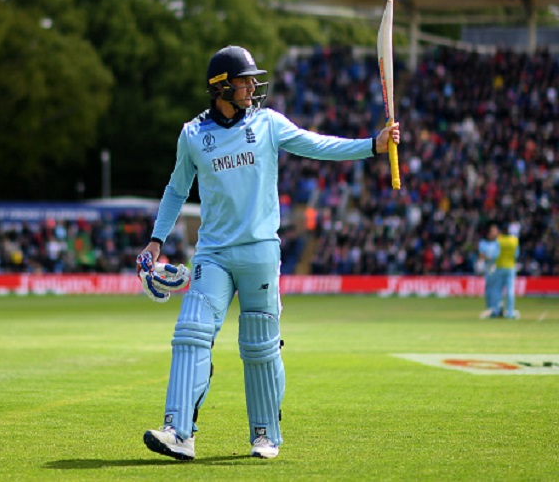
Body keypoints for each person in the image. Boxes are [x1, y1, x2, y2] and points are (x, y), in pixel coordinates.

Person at [137, 45, 401, 461]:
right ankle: (178, 432)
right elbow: (175, 190)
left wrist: (373, 145)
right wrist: (156, 239)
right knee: (191, 332)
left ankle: (265, 435)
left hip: (260, 251)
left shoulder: (268, 124)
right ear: (220, 87)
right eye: (243, 81)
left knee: (259, 345)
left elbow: (318, 145)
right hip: (214, 253)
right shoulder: (192, 135)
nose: (251, 87)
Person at [492, 224, 521, 319]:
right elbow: (516, 255)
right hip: (510, 267)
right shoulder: (514, 241)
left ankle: (496, 311)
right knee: (510, 290)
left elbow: (495, 254)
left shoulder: (499, 240)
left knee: (497, 290)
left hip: (500, 267)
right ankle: (510, 313)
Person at [478, 224, 501, 319]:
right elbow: (481, 255)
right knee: (489, 288)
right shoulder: (483, 243)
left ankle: (497, 308)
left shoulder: (499, 242)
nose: (495, 232)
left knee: (498, 288)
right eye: (493, 230)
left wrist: (491, 258)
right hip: (489, 268)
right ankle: (490, 308)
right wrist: (490, 258)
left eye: (496, 230)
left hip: (498, 267)